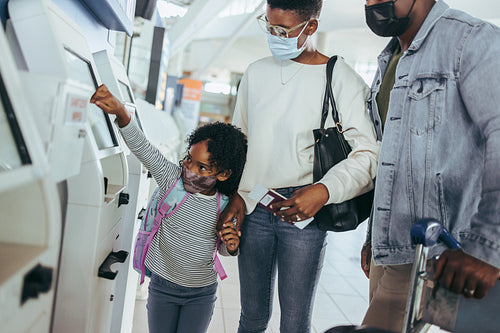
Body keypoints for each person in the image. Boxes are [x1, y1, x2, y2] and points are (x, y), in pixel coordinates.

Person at [217, 0, 380, 332]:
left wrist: (323, 191)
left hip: (306, 211)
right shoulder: (256, 73)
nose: (275, 36)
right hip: (255, 205)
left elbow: (370, 154)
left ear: (311, 27)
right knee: (251, 316)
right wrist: (236, 196)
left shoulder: (341, 78)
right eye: (270, 27)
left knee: (294, 322)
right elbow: (241, 142)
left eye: (284, 30)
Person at [360, 0, 500, 332]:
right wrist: (373, 234)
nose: (372, 3)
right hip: (393, 248)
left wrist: (488, 247)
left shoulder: (471, 41)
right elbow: (391, 156)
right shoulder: (389, 58)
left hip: (442, 250)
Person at [90, 84, 248, 333]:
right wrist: (121, 113)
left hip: (201, 293)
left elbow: (223, 248)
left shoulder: (226, 206)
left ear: (224, 174)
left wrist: (232, 246)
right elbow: (143, 148)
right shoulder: (171, 180)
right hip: (163, 286)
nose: (190, 170)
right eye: (189, 160)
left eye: (203, 168)